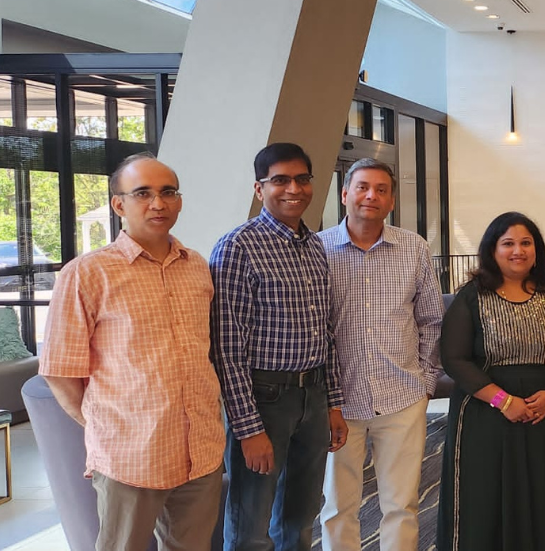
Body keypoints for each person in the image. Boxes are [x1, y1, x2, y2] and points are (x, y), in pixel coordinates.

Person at [40, 153, 225, 551]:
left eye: (168, 192)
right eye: (142, 193)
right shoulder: (87, 273)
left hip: (201, 449)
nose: (158, 203)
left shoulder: (197, 266)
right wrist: (104, 428)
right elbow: (59, 370)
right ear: (118, 204)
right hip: (130, 457)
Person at [210, 142, 348, 551]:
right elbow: (227, 349)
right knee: (251, 524)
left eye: (302, 179)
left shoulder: (314, 246)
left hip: (314, 394)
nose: (294, 189)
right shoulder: (237, 247)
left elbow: (326, 331)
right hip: (264, 399)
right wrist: (248, 429)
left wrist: (333, 404)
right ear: (260, 189)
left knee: (300, 518)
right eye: (280, 180)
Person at [318, 159, 444, 551]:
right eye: (362, 187)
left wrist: (426, 382)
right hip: (338, 402)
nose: (371, 195)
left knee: (402, 504)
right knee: (337, 505)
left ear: (391, 201)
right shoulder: (318, 250)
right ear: (345, 194)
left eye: (381, 190)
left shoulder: (414, 247)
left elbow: (431, 320)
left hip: (403, 395)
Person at [436, 212, 545, 551]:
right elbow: (454, 359)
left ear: (536, 250)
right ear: (492, 250)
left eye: (526, 243)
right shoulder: (472, 297)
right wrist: (504, 401)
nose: (518, 251)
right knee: (486, 498)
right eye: (508, 243)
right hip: (485, 415)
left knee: (544, 495)